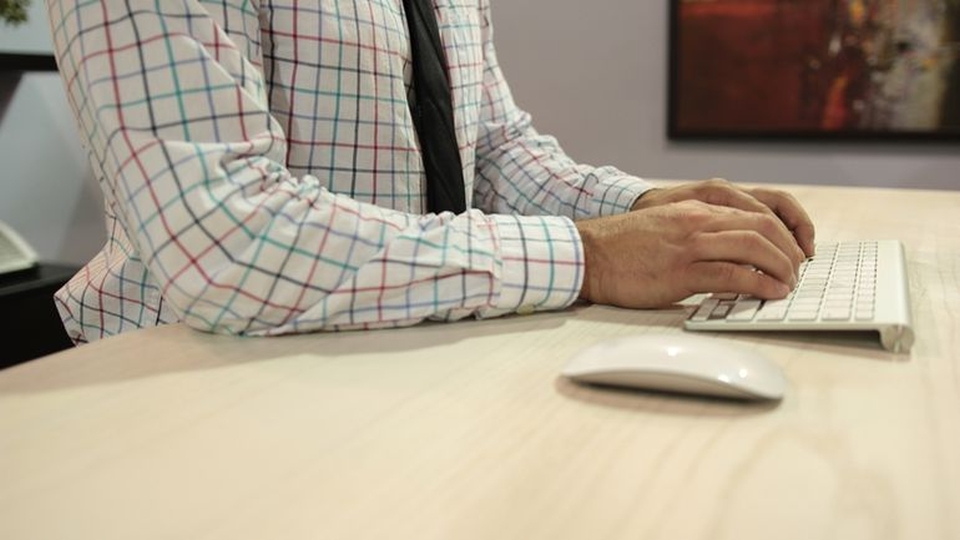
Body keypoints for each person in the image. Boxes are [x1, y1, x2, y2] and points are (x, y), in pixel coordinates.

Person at [45, 0, 814, 345]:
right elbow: (225, 240)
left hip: (388, 364)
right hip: (184, 394)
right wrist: (597, 255)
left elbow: (490, 152)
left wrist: (651, 207)